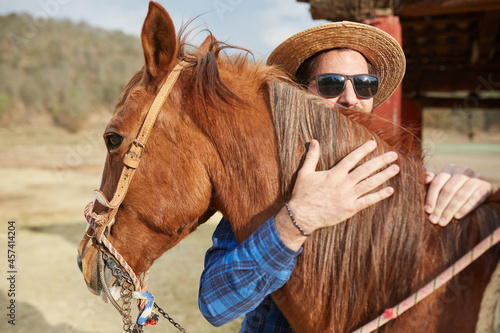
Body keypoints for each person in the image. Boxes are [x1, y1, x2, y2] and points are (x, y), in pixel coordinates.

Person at [198, 22, 494, 331]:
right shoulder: (268, 185)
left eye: (364, 84)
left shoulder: (401, 174)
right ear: (301, 95)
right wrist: (296, 220)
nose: (351, 98)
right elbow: (216, 305)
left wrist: (474, 195)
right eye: (331, 84)